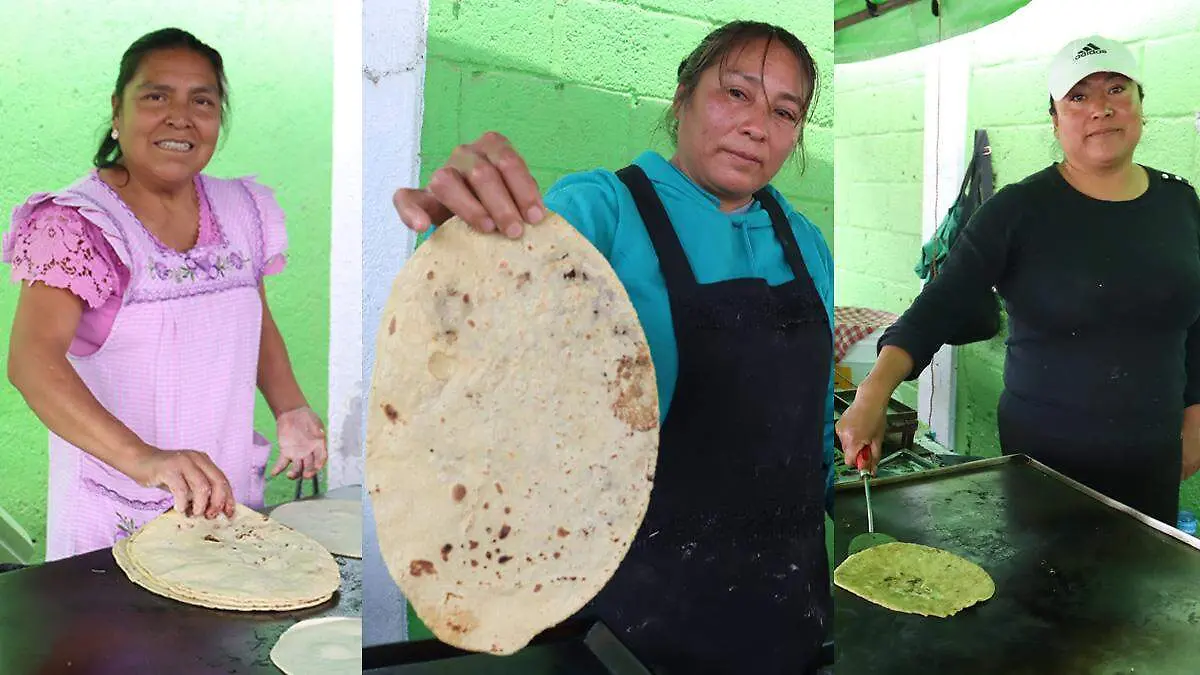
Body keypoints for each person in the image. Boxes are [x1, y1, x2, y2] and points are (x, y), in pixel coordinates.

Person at [394, 20, 833, 675]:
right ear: (683, 94)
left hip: (788, 607)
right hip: (633, 617)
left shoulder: (805, 241)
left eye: (784, 111)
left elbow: (819, 425)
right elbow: (484, 323)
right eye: (736, 94)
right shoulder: (602, 209)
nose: (757, 125)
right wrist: (467, 243)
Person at [837, 35, 1200, 525]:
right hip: (1044, 463)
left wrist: (1195, 423)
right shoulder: (1017, 210)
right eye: (1078, 96)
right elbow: (937, 307)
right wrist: (871, 394)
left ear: (1140, 105)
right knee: (1042, 595)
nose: (1100, 108)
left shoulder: (1180, 203)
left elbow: (1194, 324)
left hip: (1152, 458)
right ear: (1055, 118)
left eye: (1116, 89)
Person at [2, 28, 327, 561]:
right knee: (120, 643)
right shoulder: (78, 225)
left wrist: (290, 406)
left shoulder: (241, 209)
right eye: (156, 96)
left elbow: (253, 315)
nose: (180, 116)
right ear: (117, 108)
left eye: (202, 100)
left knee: (226, 634)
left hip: (224, 502)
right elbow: (31, 362)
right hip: (121, 510)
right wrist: (145, 460)